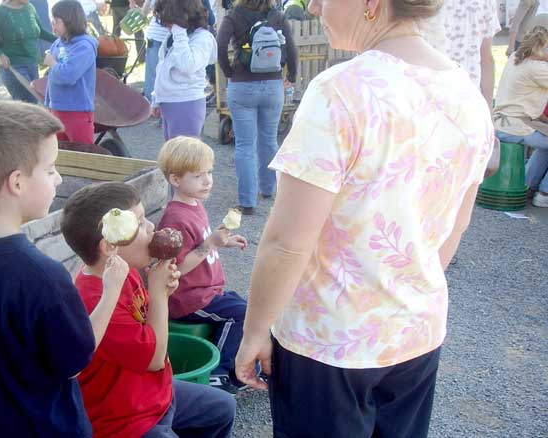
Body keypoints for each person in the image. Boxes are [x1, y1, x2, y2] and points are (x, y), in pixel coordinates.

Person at [234, 0, 495, 436]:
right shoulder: (468, 95)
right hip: (416, 331)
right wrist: (401, 294)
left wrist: (256, 329)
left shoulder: (340, 91)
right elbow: (456, 225)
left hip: (328, 342)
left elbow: (288, 242)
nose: (313, 6)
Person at [0, 100, 127, 436]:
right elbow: (74, 363)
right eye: (49, 169)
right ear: (16, 183)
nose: (58, 178)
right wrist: (112, 289)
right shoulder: (42, 277)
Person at [60, 181, 237, 437]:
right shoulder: (95, 299)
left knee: (222, 408)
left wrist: (163, 290)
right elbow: (155, 360)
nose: (153, 226)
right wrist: (159, 293)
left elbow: (147, 321)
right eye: (141, 223)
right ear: (110, 245)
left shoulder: (126, 271)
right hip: (123, 419)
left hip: (154, 393)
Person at [156, 137, 249, 394]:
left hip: (208, 292)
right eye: (198, 175)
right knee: (239, 314)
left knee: (245, 308)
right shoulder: (175, 217)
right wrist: (210, 244)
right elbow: (177, 267)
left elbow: (203, 242)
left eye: (209, 172)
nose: (208, 180)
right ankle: (218, 373)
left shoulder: (194, 204)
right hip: (190, 299)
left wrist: (223, 242)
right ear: (175, 180)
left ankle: (240, 363)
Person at [217, 0, 298, 215]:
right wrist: (291, 75)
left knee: (244, 145)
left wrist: (228, 71)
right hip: (272, 86)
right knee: (269, 139)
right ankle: (269, 189)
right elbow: (291, 48)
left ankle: (247, 202)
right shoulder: (277, 16)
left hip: (242, 85)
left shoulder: (233, 16)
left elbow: (220, 46)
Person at [494, 25, 548, 207]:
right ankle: (544, 192)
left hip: (500, 122)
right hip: (515, 127)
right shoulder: (538, 69)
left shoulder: (515, 57)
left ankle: (529, 186)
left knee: (545, 143)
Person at [152, 0, 217, 140]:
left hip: (186, 102)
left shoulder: (202, 37)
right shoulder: (174, 36)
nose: (166, 25)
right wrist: (156, 98)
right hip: (169, 101)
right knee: (172, 156)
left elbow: (188, 65)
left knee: (184, 158)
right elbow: (162, 67)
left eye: (169, 20)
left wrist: (179, 33)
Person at [422, 0, 500, 109]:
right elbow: (486, 59)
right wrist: (488, 109)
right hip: (467, 100)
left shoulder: (417, 3)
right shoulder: (486, 2)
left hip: (426, 99)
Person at [44, 0, 98, 144]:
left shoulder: (84, 47)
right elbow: (52, 77)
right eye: (52, 21)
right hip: (57, 108)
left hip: (77, 111)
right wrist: (48, 102)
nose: (52, 25)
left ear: (70, 22)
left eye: (56, 21)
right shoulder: (58, 43)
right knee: (59, 153)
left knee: (82, 155)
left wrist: (53, 63)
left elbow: (68, 75)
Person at [0, 0, 57, 103]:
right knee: (27, 104)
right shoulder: (0, 12)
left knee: (33, 103)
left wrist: (62, 40)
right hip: (14, 66)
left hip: (32, 64)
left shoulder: (30, 8)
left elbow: (40, 31)